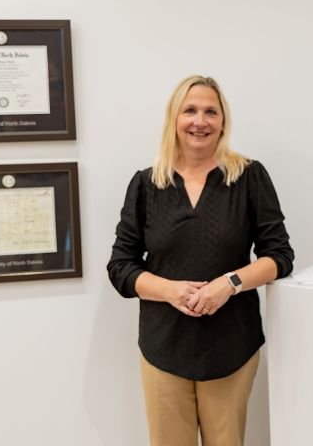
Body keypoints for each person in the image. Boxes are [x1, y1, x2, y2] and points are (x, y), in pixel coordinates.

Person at [107, 75, 294, 446]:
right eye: (189, 110)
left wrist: (231, 283)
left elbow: (279, 256)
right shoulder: (147, 184)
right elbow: (121, 266)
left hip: (231, 348)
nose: (200, 121)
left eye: (211, 111)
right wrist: (170, 291)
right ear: (174, 118)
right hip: (163, 348)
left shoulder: (248, 177)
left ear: (223, 121)